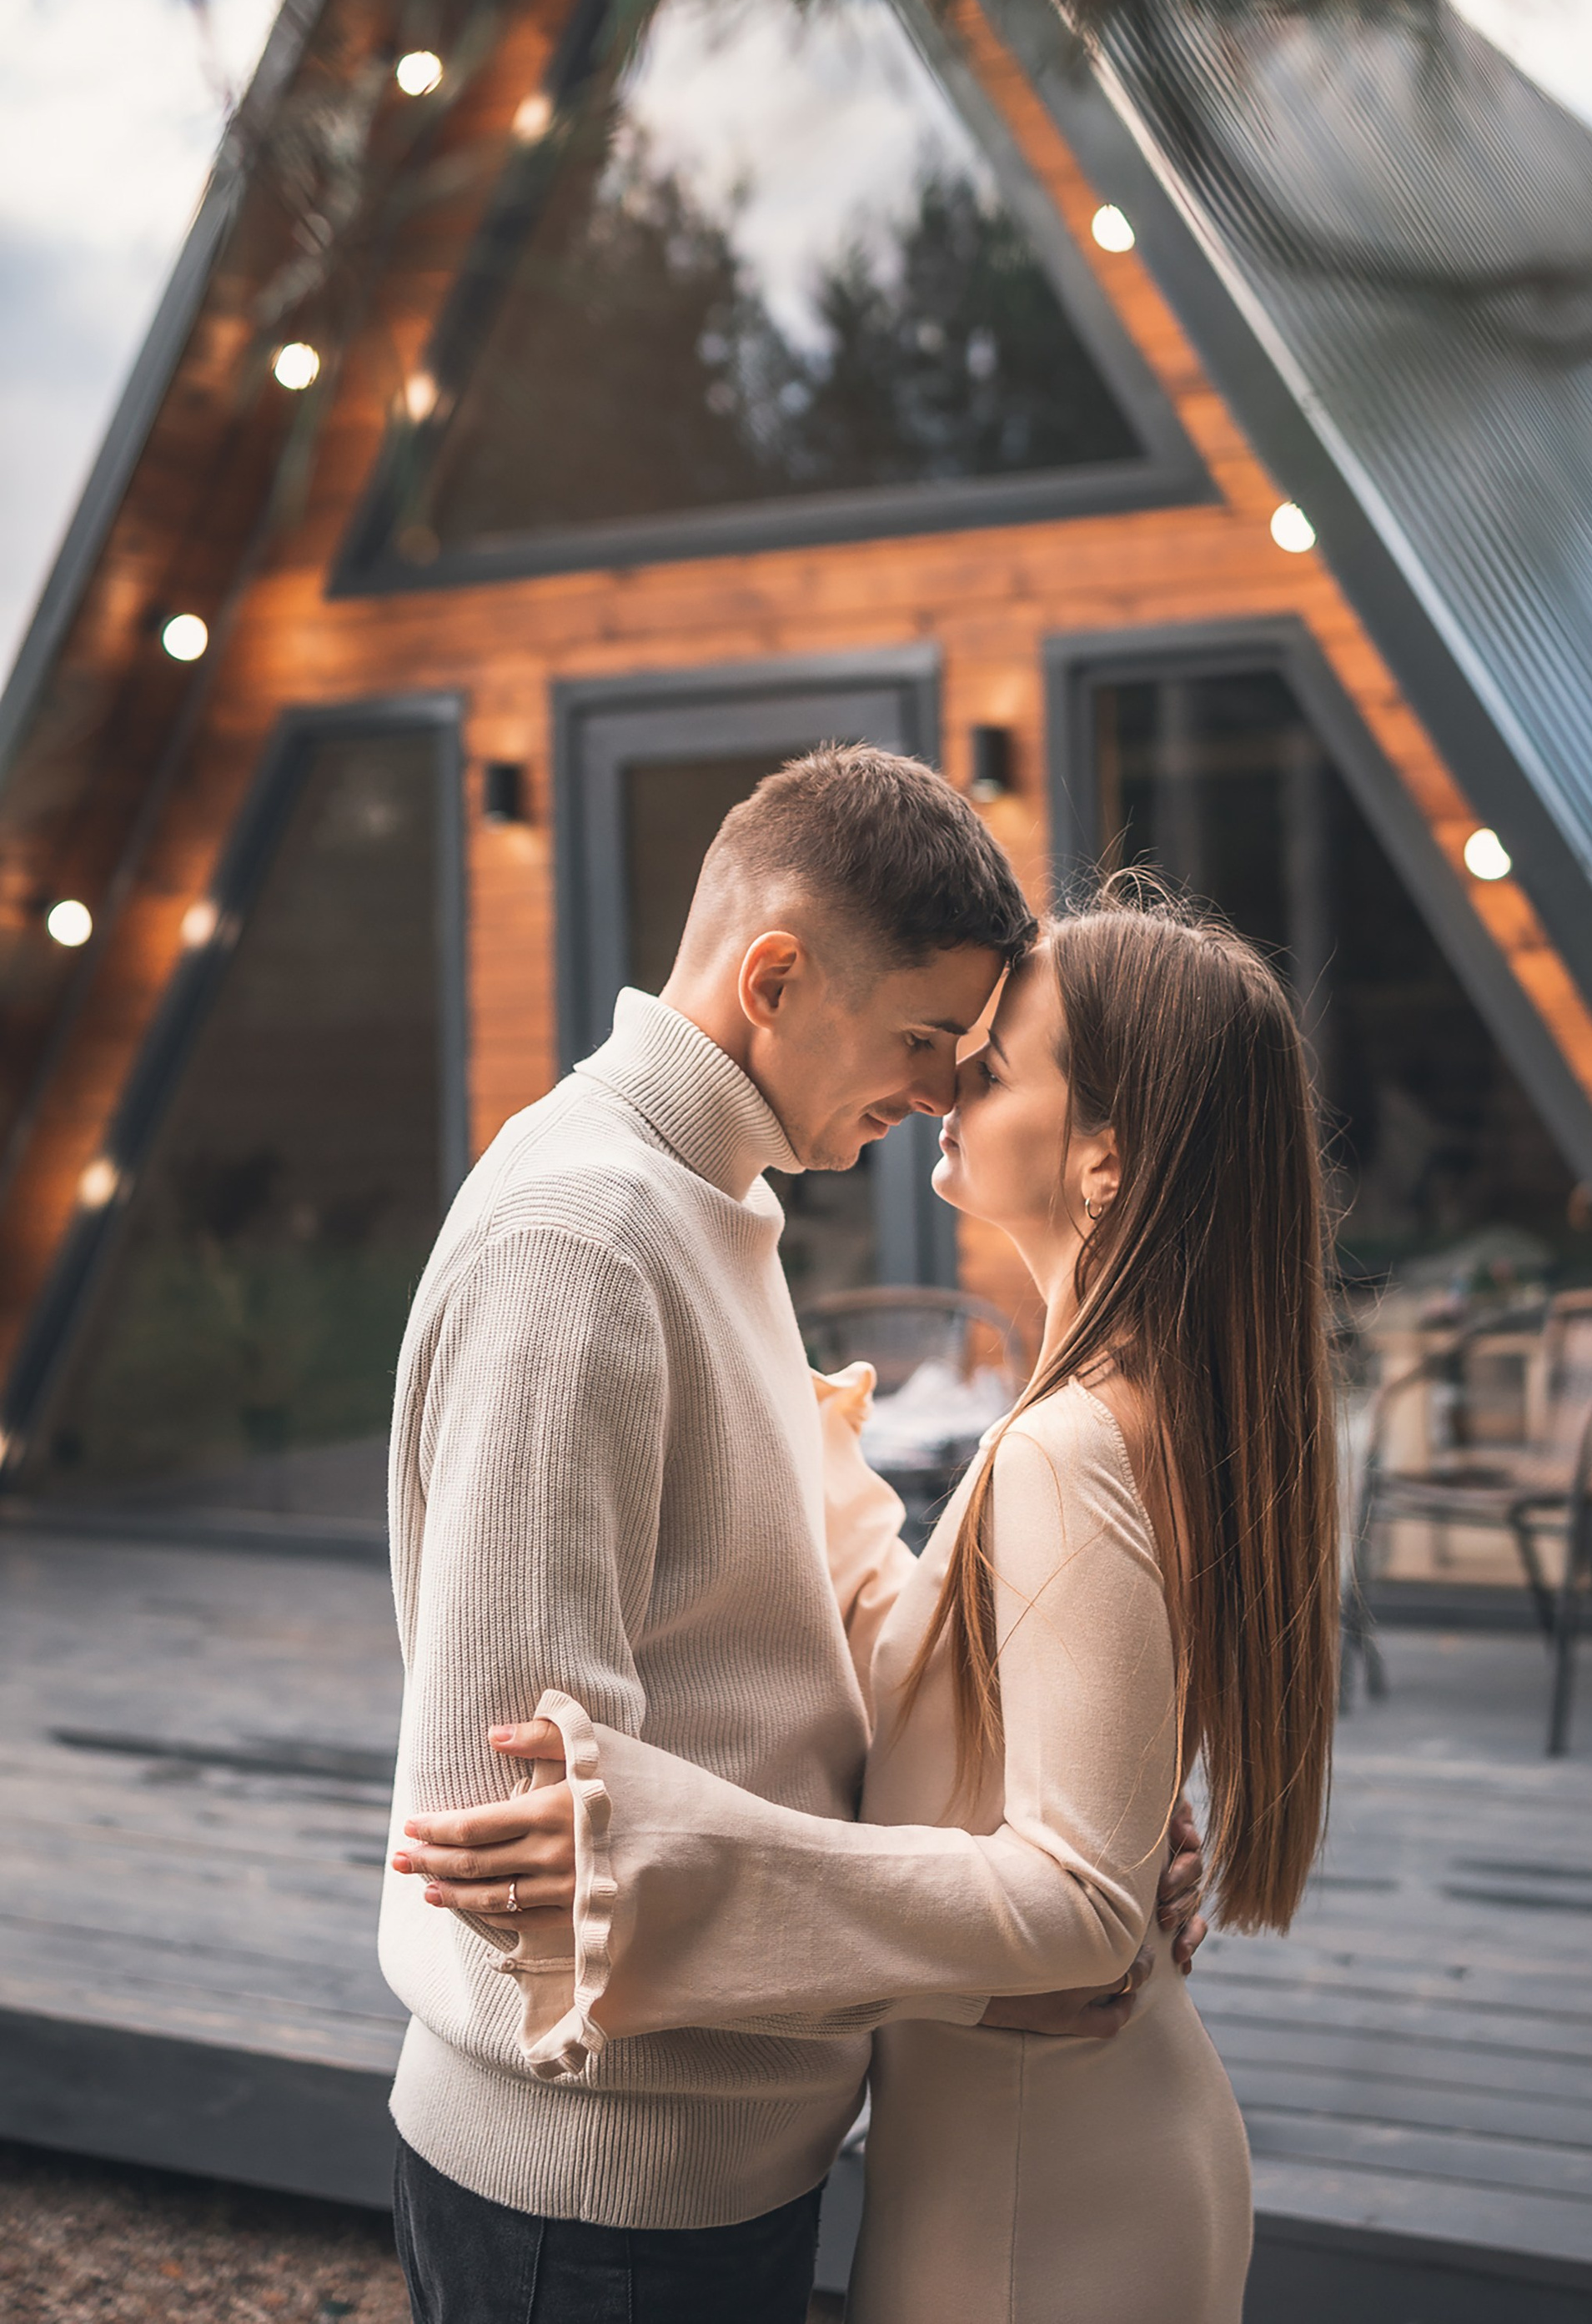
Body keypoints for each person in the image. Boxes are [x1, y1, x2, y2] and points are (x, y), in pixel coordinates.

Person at [398, 880, 1341, 2324]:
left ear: (1105, 1162)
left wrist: (666, 1853)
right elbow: (975, 1689)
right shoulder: (1125, 1400)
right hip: (1046, 2150)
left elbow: (1083, 1910)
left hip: (1039, 2197)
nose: (947, 1083)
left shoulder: (1068, 1445)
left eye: (993, 1064)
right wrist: (1096, 1806)